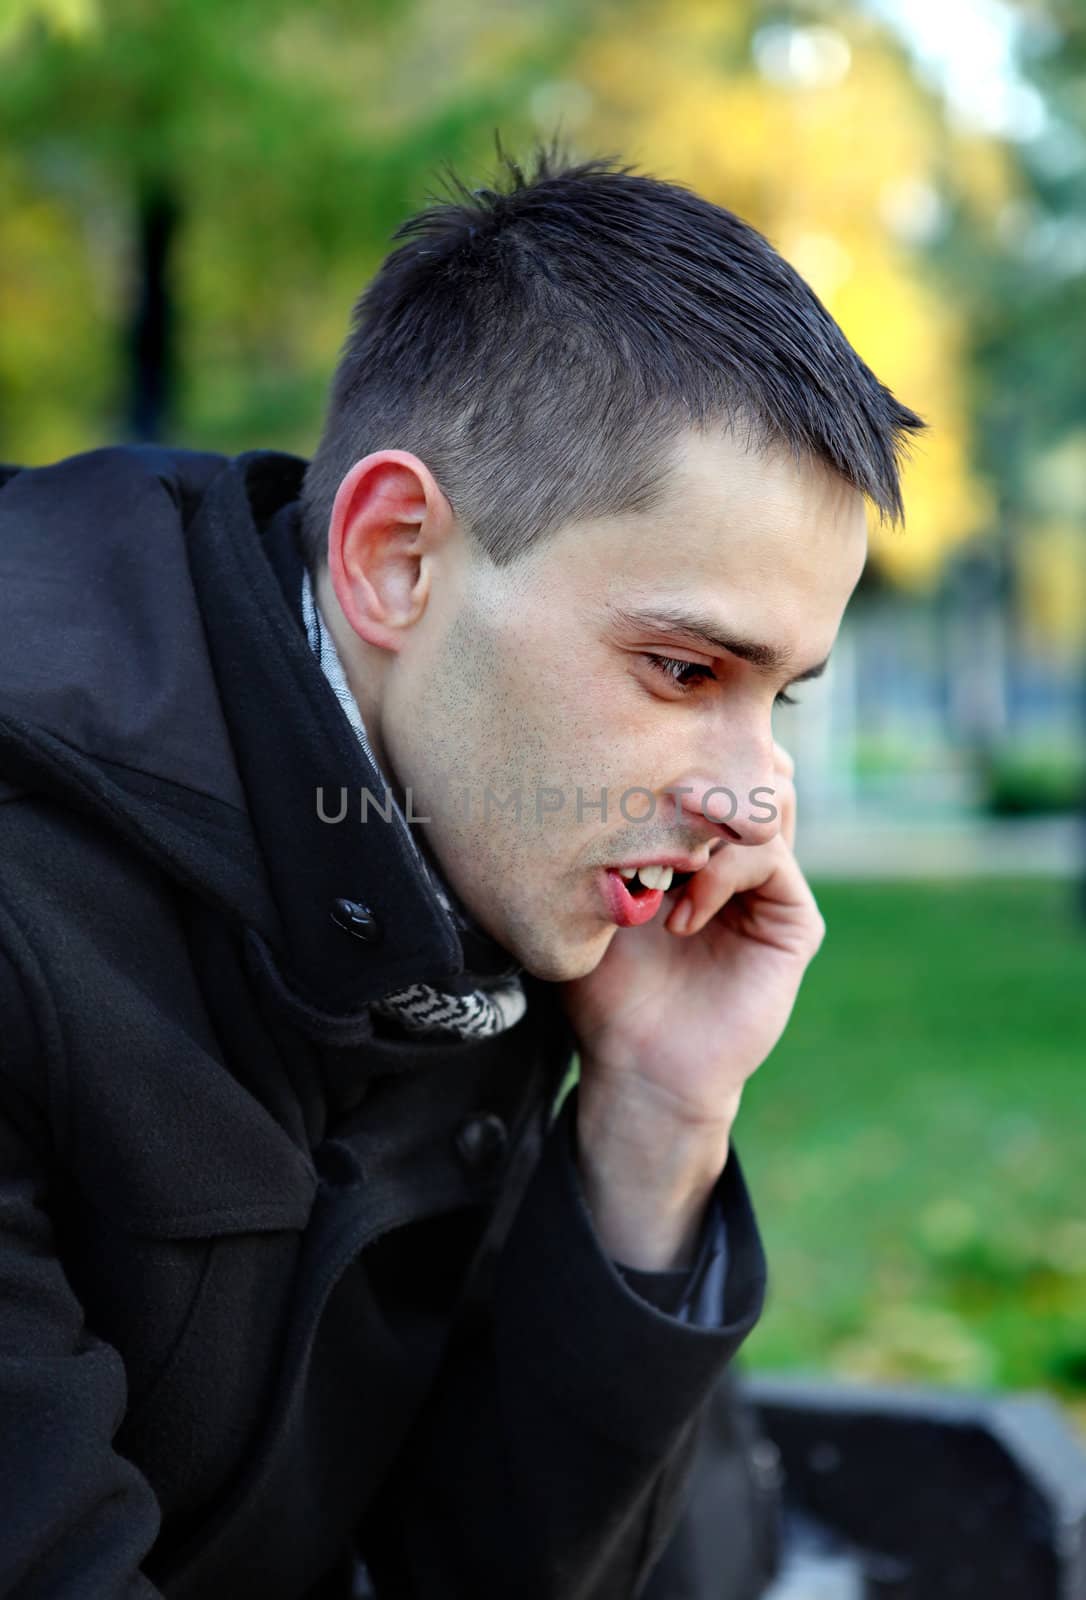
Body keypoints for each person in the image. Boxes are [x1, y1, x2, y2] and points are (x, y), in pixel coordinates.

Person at [0, 146, 924, 1598]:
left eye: (781, 696)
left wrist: (655, 1118)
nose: (751, 799)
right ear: (393, 557)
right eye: (681, 668)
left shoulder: (482, 850)